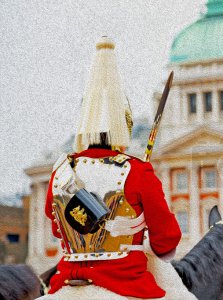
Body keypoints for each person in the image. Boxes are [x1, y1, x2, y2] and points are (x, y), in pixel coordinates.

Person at [42, 37, 181, 299]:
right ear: (123, 123)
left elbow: (58, 229)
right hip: (127, 282)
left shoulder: (60, 173)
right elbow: (167, 241)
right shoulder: (138, 172)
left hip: (66, 280)